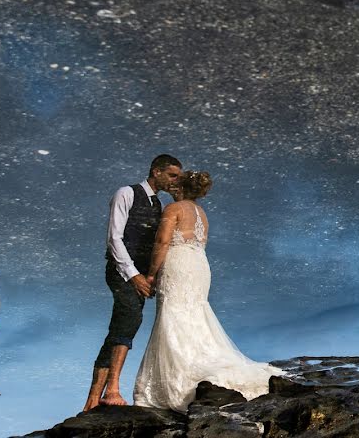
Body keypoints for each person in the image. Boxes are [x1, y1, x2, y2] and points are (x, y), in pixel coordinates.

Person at [133, 170, 284, 412]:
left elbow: (162, 242)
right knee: (194, 312)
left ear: (180, 188)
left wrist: (150, 274)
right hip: (199, 266)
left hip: (179, 264)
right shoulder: (201, 213)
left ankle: (176, 379)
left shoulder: (173, 210)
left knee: (174, 313)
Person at [83, 154, 183, 411]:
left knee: (120, 325)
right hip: (121, 271)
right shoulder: (125, 193)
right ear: (156, 171)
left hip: (140, 275)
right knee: (131, 319)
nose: (175, 181)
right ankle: (113, 388)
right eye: (172, 175)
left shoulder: (160, 205)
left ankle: (93, 399)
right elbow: (114, 238)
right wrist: (134, 275)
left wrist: (150, 274)